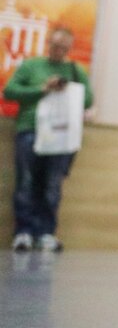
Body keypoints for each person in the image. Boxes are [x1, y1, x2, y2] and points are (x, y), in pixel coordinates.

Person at [4, 28, 94, 252]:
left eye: (64, 48)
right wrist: (42, 89)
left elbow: (87, 99)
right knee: (26, 183)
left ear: (69, 48)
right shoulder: (31, 66)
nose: (59, 51)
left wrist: (68, 89)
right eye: (55, 46)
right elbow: (9, 91)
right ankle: (23, 232)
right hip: (30, 130)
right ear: (48, 43)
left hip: (60, 135)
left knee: (52, 186)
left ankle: (46, 232)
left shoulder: (75, 71)